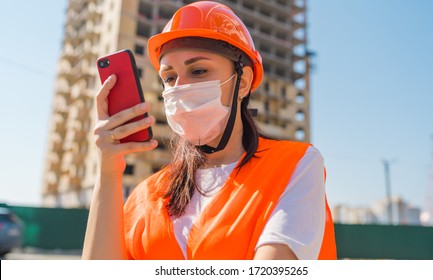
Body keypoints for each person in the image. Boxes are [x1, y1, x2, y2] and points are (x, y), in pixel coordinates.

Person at [82, 1, 336, 260]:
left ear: (244, 82)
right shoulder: (146, 195)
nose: (180, 87)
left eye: (198, 71)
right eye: (169, 78)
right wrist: (108, 172)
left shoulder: (295, 166)